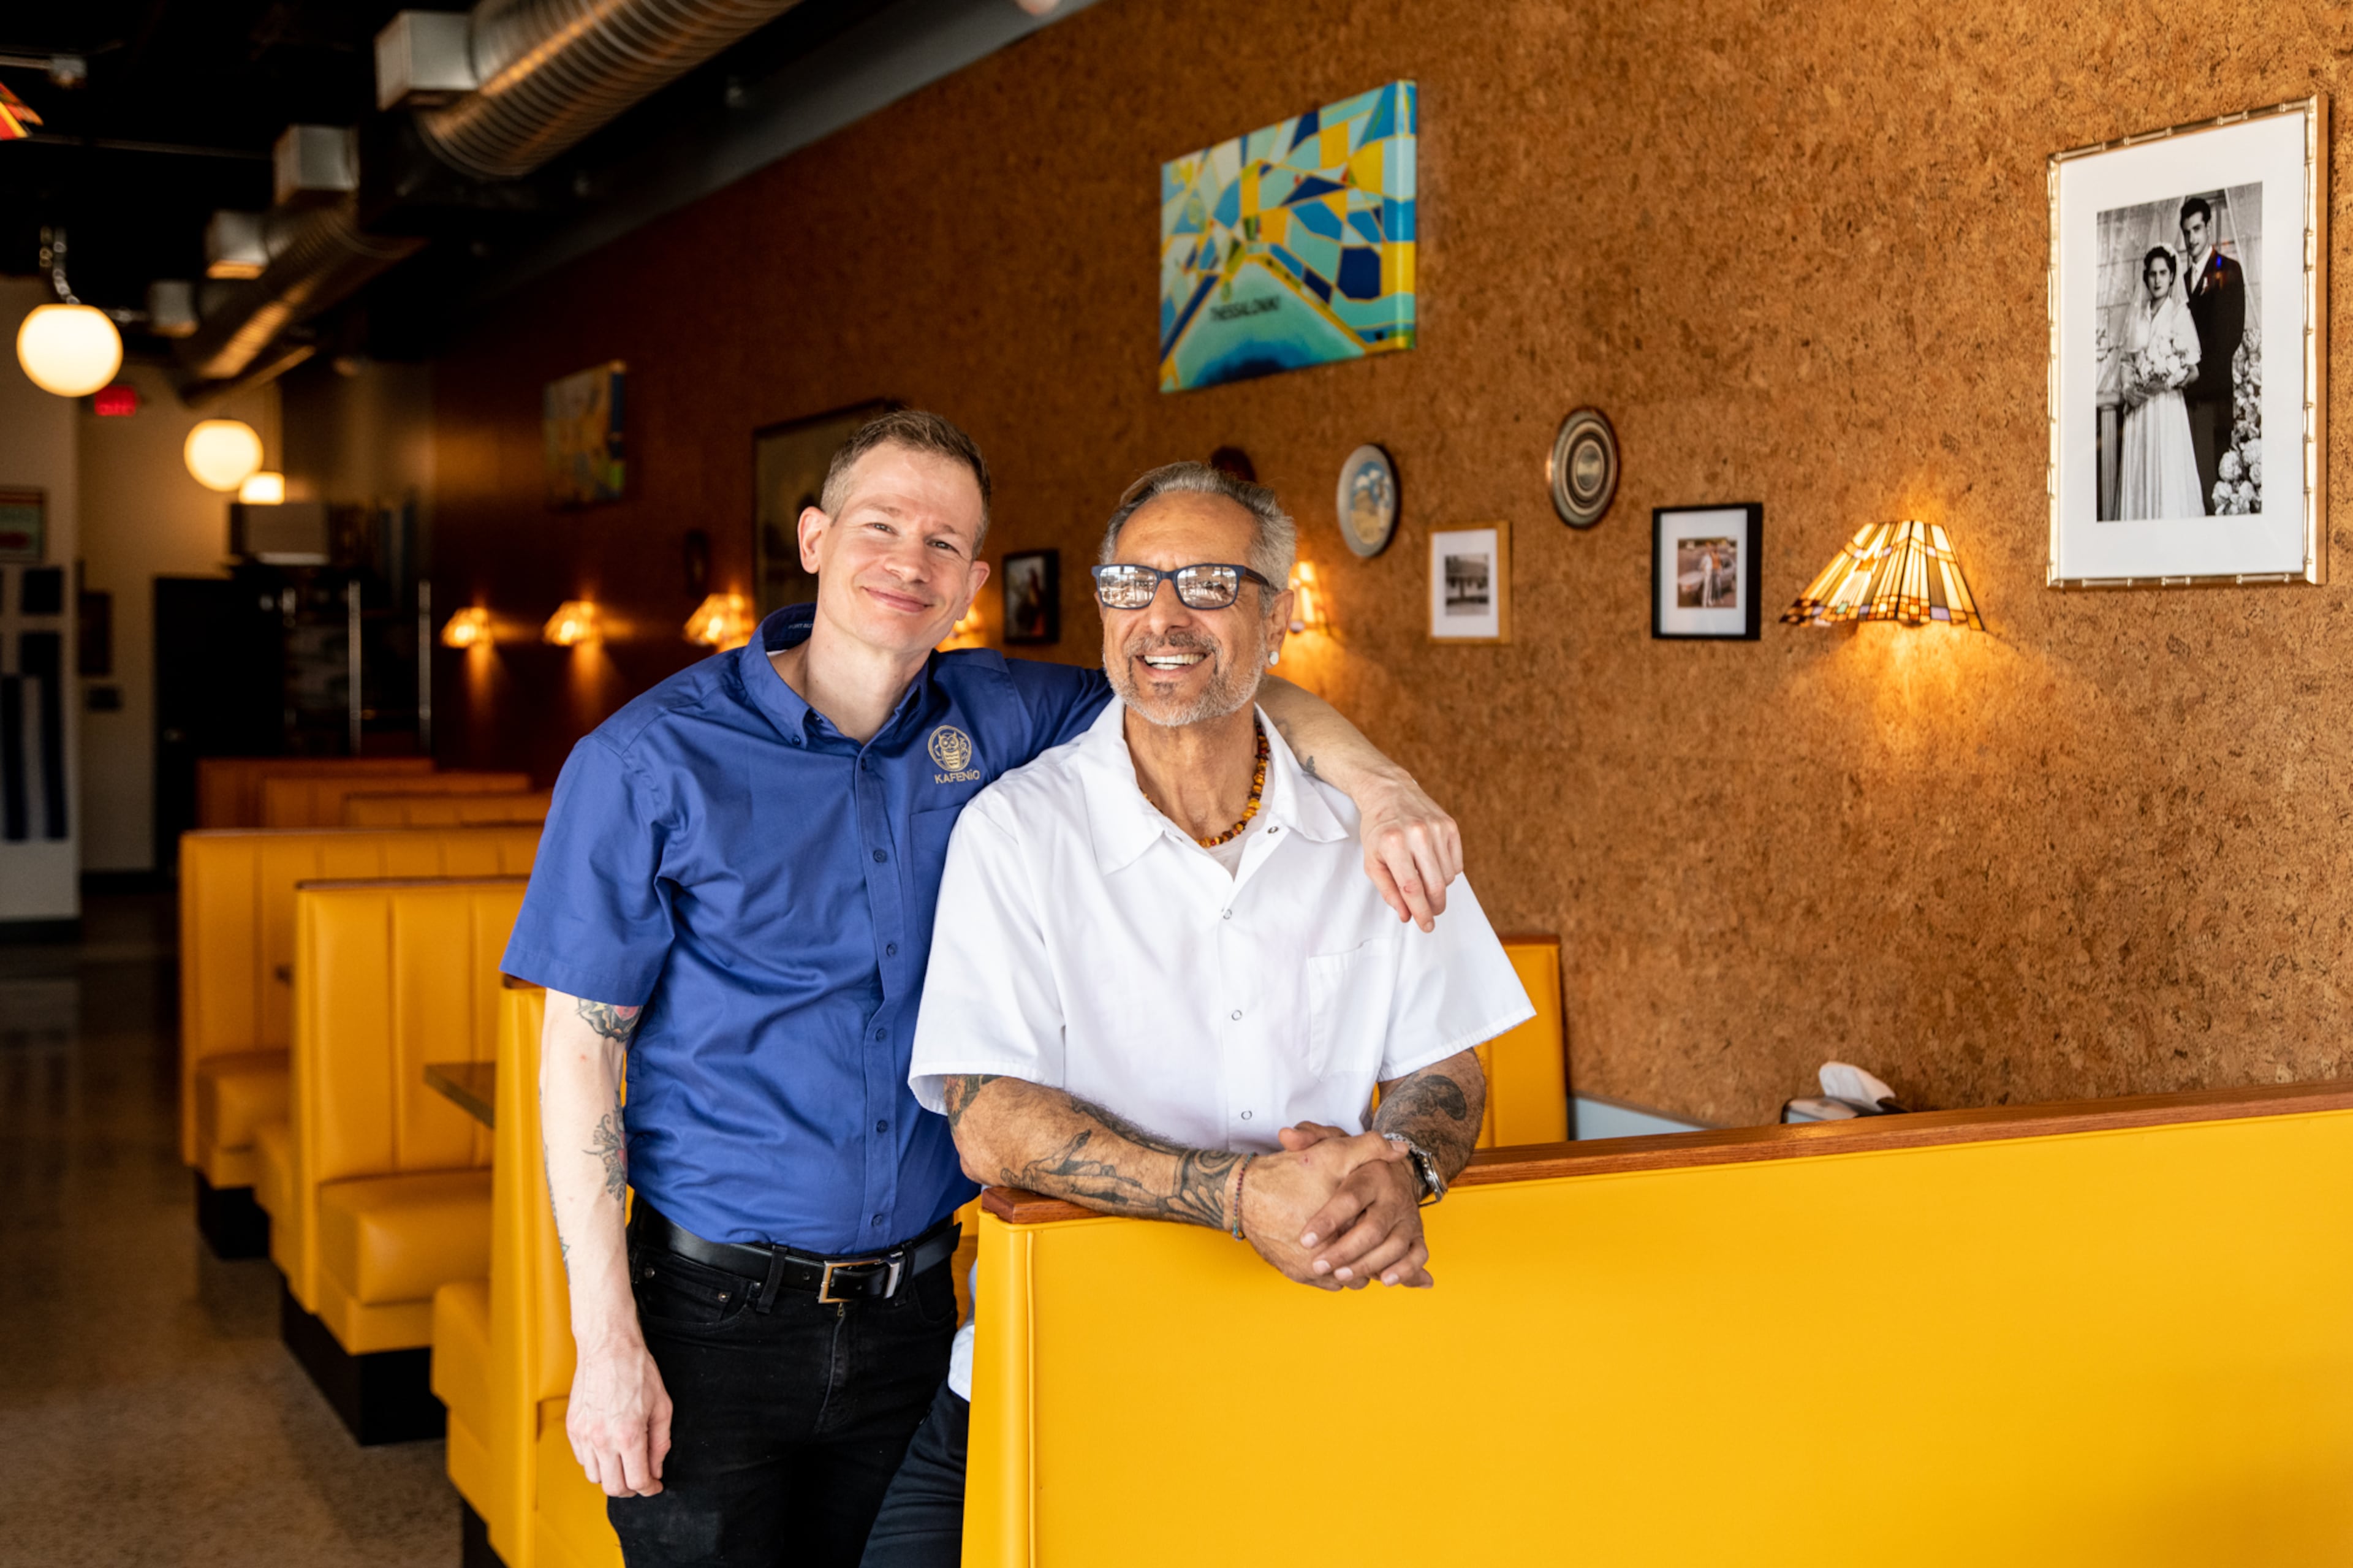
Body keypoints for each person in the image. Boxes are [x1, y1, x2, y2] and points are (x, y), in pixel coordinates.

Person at [502, 411, 1466, 1567]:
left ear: (972, 577)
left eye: (946, 540)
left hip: (917, 1309)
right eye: (880, 525)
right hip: (712, 1315)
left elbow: (1214, 685)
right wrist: (604, 1337)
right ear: (811, 540)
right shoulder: (644, 759)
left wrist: (1377, 779)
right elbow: (579, 1055)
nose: (910, 560)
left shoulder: (1003, 715)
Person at [862, 461, 1534, 1567]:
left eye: (1209, 583)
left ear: (1278, 620)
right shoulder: (1016, 833)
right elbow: (989, 1119)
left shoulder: (1379, 833)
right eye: (1132, 583)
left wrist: (1405, 1165)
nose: (1162, 616)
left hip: (1319, 1369)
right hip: (1059, 1366)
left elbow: (1447, 1063)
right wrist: (1237, 1194)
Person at [2118, 246, 2205, 523]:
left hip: (2166, 409)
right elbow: (2126, 362)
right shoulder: (2137, 315)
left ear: (2171, 276)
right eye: (2152, 274)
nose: (2157, 280)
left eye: (2163, 273)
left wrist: (2167, 381)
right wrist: (2128, 389)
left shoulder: (2178, 314)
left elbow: (2193, 371)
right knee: (2141, 472)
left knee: (2166, 471)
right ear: (2147, 277)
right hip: (2141, 409)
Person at [2178, 195, 2245, 514]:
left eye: (2197, 230)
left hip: (2214, 394)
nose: (2192, 239)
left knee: (2213, 489)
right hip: (2184, 400)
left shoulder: (2228, 270)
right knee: (2188, 486)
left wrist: (2199, 371)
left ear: (2208, 229)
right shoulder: (2180, 282)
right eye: (2187, 232)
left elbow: (2230, 336)